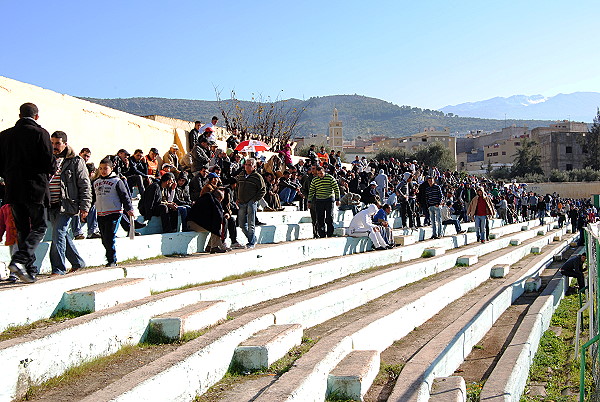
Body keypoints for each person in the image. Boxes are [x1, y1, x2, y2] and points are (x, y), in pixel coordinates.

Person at [0, 103, 55, 283]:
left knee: (23, 229)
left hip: (13, 189)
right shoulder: (41, 133)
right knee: (39, 226)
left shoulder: (5, 135)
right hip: (36, 188)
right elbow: (49, 162)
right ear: (37, 116)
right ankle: (20, 260)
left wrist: (8, 177)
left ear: (19, 115)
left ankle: (30, 270)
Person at [48, 131, 92, 275]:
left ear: (65, 144)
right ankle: (77, 262)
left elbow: (85, 185)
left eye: (57, 143)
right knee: (60, 235)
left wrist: (85, 207)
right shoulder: (48, 159)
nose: (54, 146)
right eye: (52, 143)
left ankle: (58, 269)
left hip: (67, 204)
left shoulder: (75, 161)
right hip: (50, 204)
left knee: (58, 234)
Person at [93, 159, 134, 267]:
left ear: (111, 169)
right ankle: (109, 257)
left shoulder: (117, 181)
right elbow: (93, 198)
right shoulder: (96, 182)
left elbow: (124, 196)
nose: (103, 171)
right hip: (101, 213)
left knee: (109, 236)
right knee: (104, 238)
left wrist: (129, 208)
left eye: (105, 168)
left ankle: (112, 260)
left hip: (114, 213)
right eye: (101, 168)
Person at [236, 158, 266, 249]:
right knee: (241, 224)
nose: (247, 166)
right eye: (246, 164)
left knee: (251, 223)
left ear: (254, 167)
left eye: (249, 165)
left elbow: (263, 190)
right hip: (241, 202)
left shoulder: (257, 177)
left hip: (251, 203)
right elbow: (237, 187)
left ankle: (251, 242)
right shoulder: (241, 175)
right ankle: (252, 239)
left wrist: (254, 200)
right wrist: (237, 198)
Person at [308, 166, 340, 238]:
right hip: (319, 200)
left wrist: (337, 199)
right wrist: (309, 201)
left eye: (321, 173)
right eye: (318, 173)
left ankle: (330, 233)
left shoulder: (330, 178)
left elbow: (336, 189)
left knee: (329, 217)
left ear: (324, 171)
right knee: (320, 218)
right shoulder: (315, 180)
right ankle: (322, 234)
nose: (320, 175)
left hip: (329, 199)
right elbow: (311, 191)